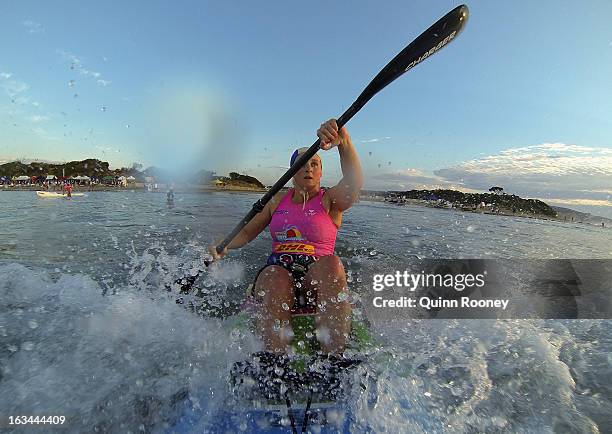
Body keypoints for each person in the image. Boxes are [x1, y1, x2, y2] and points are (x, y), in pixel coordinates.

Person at [208, 119, 363, 355]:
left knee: (333, 264)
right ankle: (273, 361)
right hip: (278, 271)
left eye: (314, 163)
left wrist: (344, 142)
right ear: (292, 171)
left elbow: (353, 184)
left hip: (316, 275)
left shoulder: (329, 200)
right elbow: (247, 232)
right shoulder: (275, 202)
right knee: (274, 277)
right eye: (302, 164)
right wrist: (224, 242)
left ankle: (335, 358)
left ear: (320, 172)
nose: (308, 168)